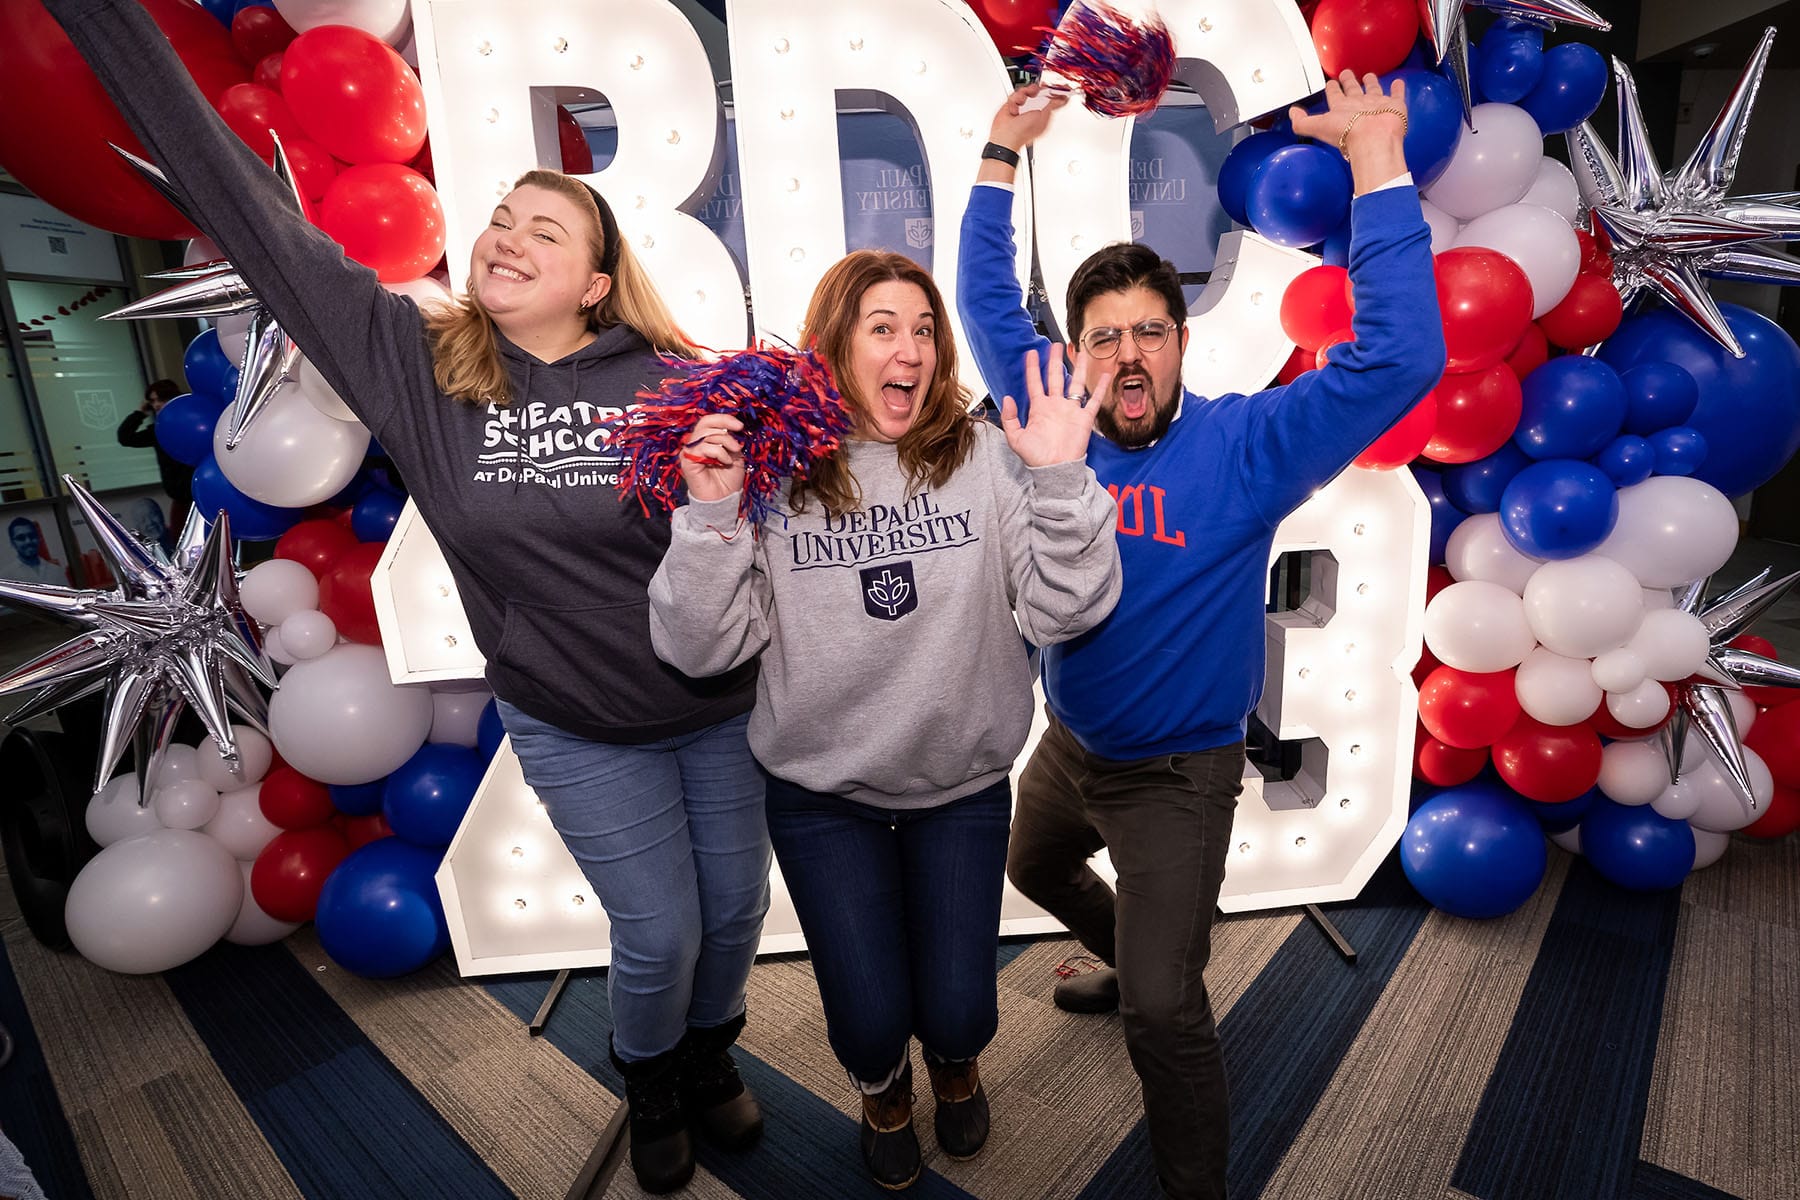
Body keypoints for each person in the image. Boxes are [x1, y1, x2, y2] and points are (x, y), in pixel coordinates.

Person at [46, 2, 770, 1192]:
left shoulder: (679, 378)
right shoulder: (423, 370)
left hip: (720, 709)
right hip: (577, 720)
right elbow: (252, 215)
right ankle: (655, 1073)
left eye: (546, 227)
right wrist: (111, 26)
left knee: (734, 915)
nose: (506, 236)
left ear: (597, 283)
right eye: (498, 220)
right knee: (661, 930)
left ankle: (712, 1053)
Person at [957, 75, 1445, 1199]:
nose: (1125, 356)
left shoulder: (1248, 445)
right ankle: (1142, 947)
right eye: (1102, 337)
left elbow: (1400, 360)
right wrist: (994, 155)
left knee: (1167, 1012)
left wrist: (1377, 158)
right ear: (1073, 355)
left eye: (1148, 332)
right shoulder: (1053, 419)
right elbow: (987, 300)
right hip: (1073, 748)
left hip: (1180, 773)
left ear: (1181, 341)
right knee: (1031, 863)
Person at [648, 250, 1123, 1189]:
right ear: (832, 344)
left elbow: (1067, 610)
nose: (909, 348)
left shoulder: (988, 457)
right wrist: (709, 517)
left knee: (958, 1012)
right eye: (882, 327)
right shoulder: (772, 472)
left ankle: (952, 1068)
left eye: (923, 329)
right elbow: (700, 651)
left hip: (963, 785)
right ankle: (883, 1089)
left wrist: (1065, 479)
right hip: (824, 795)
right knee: (866, 1022)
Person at [115, 378, 192, 532]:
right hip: (180, 495)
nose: (156, 405)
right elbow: (125, 437)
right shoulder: (158, 431)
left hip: (196, 490)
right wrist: (140, 413)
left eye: (161, 399)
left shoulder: (190, 422)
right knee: (179, 537)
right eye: (153, 401)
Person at [4, 518, 70, 586]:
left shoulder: (57, 571)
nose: (28, 541)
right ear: (12, 543)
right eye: (21, 538)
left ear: (39, 538)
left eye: (32, 536)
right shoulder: (5, 577)